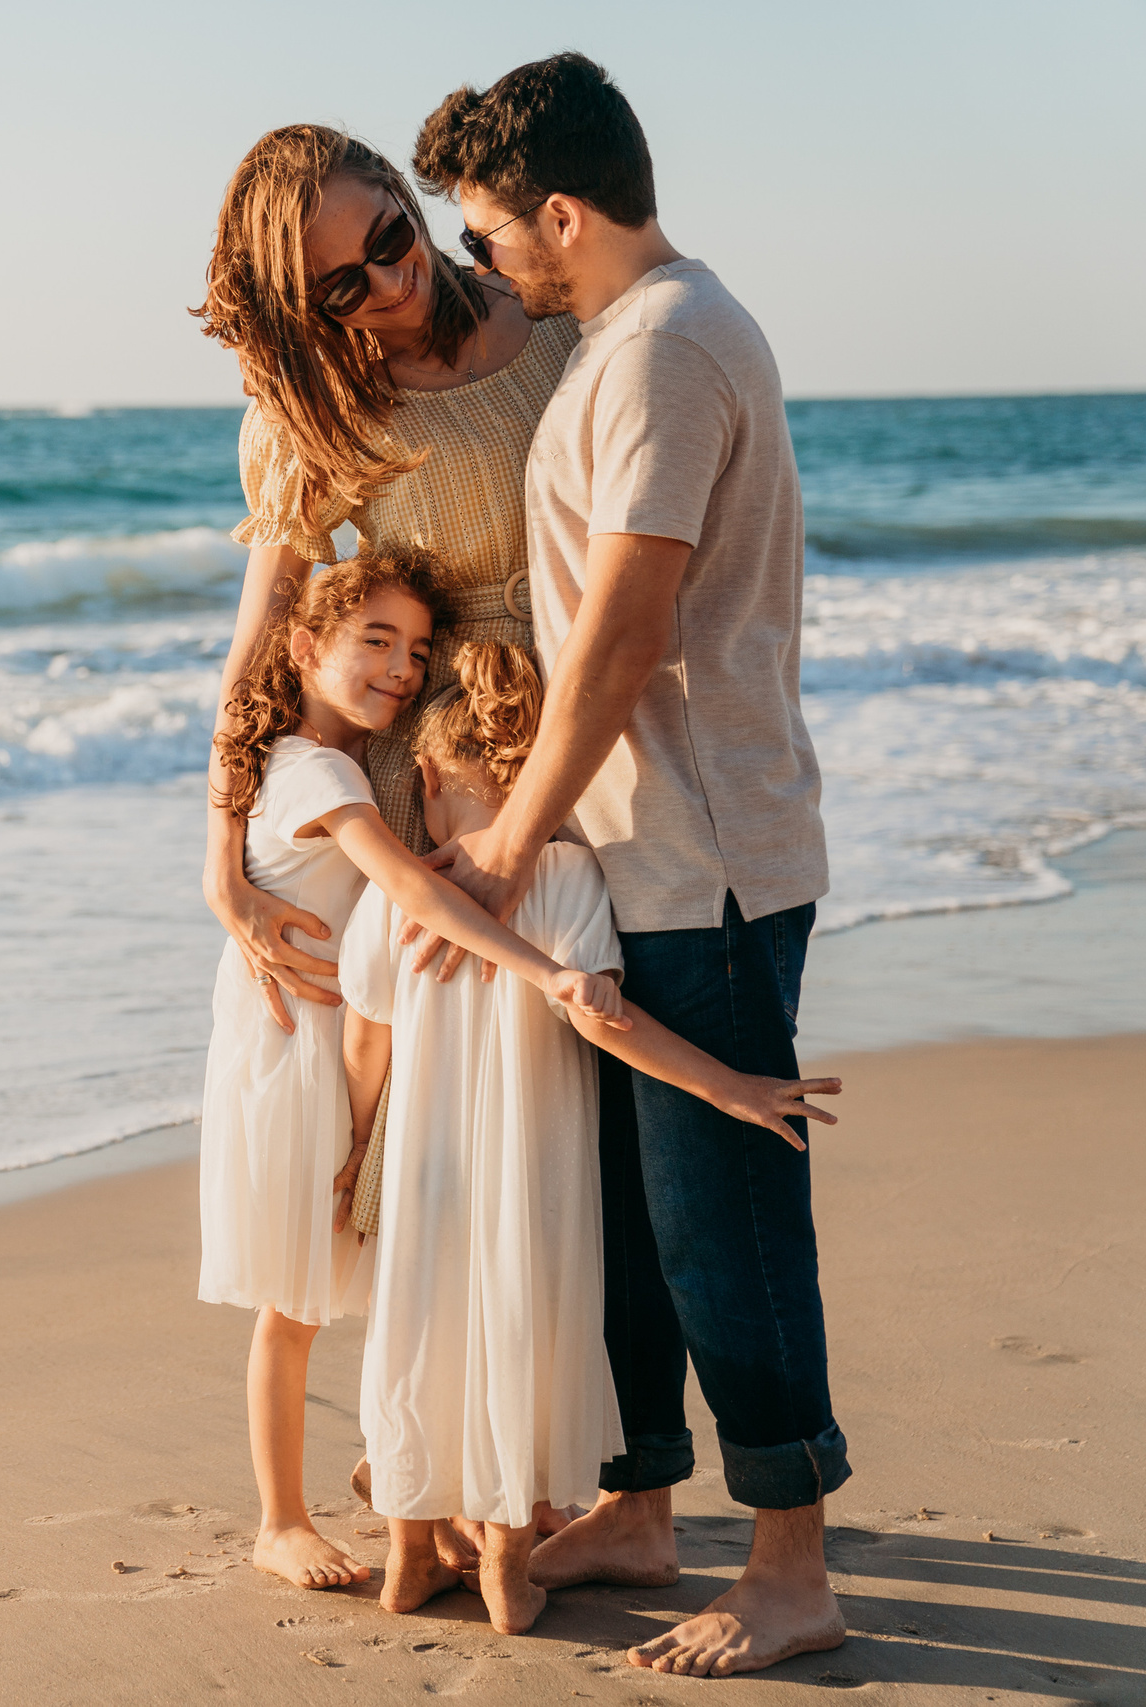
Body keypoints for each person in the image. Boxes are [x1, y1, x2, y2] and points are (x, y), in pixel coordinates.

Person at [409, 53, 849, 1677]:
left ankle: (793, 1563)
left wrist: (512, 839)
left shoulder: (667, 349)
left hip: (707, 860)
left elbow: (631, 625)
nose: (482, 263)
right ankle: (645, 1508)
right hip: (646, 858)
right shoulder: (630, 344)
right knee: (638, 1218)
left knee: (724, 1216)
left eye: (489, 234)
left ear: (566, 214)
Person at [335, 638, 841, 1635]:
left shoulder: (398, 892)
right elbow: (606, 1017)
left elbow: (364, 1043)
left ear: (426, 776)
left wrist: (354, 1157)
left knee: (414, 1339)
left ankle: (406, 1559)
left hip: (426, 1180)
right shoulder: (568, 879)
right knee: (522, 1343)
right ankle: (507, 1576)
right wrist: (727, 1087)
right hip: (534, 1186)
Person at [196, 546, 629, 1595]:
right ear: (302, 646)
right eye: (373, 641)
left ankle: (406, 1483)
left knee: (362, 1273)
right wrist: (543, 967)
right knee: (294, 1295)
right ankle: (280, 1519)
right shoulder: (322, 771)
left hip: (336, 1041)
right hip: (300, 1051)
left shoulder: (328, 760)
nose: (400, 667)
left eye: (418, 649)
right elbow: (414, 894)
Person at [193, 124, 580, 1035]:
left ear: (407, 198)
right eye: (340, 285)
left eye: (388, 240)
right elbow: (260, 642)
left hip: (594, 708)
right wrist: (220, 862)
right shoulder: (321, 417)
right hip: (451, 760)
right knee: (465, 1066)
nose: (388, 281)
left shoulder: (555, 312)